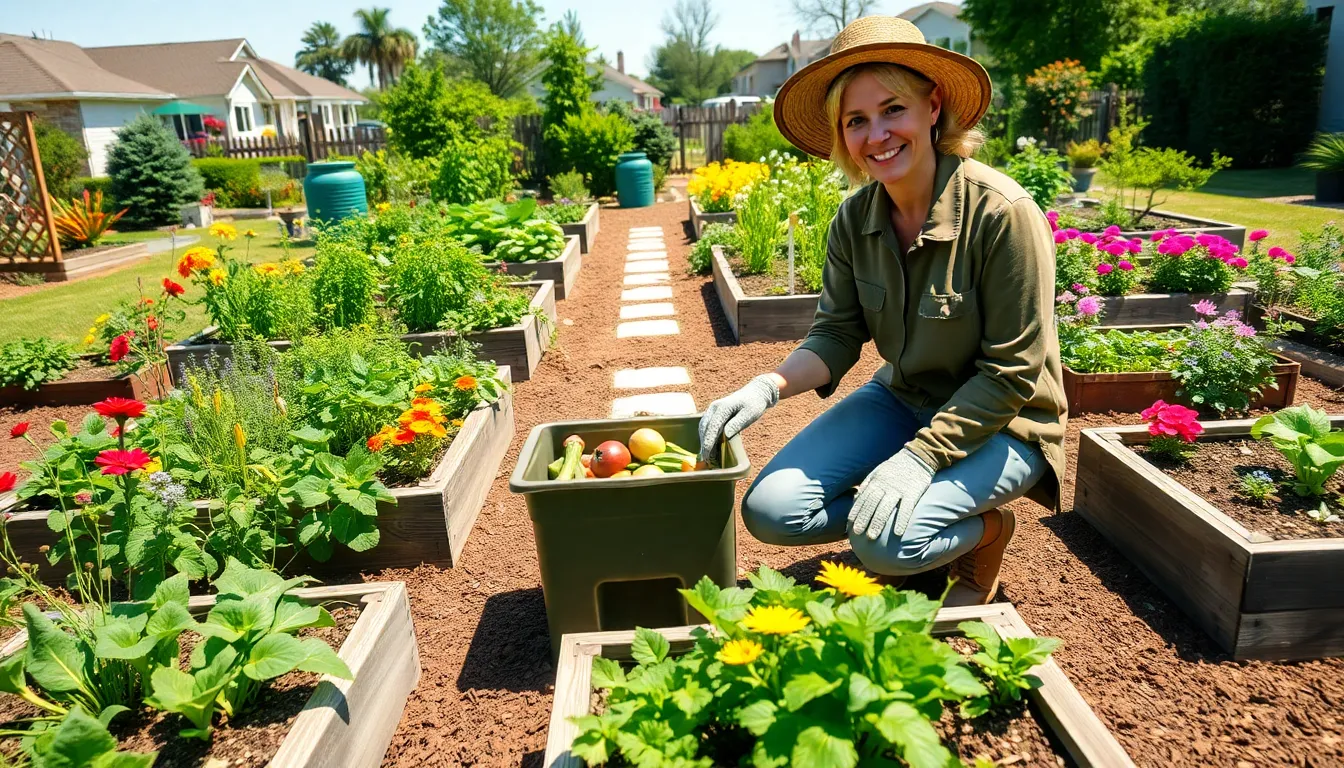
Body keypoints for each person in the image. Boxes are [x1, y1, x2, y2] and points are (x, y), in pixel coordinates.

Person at [697, 15, 1068, 606]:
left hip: (1008, 422)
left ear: (933, 107)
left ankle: (985, 531)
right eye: (856, 121)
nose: (878, 135)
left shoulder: (1001, 214)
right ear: (842, 136)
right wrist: (763, 389)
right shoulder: (855, 220)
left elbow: (1013, 375)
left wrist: (919, 461)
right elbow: (838, 333)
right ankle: (904, 516)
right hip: (902, 398)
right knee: (771, 512)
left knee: (885, 548)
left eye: (893, 109)